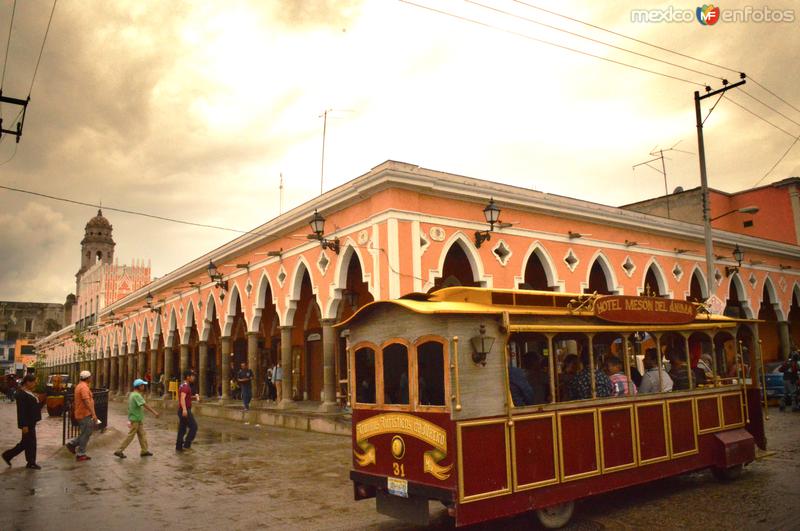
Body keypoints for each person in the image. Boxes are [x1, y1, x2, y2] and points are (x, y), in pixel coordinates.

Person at [2, 375, 42, 470]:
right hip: (27, 423)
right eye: (33, 382)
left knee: (26, 443)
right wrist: (23, 425)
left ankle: (9, 456)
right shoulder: (22, 394)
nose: (34, 384)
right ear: (28, 382)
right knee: (30, 442)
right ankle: (30, 462)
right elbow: (22, 411)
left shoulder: (29, 392)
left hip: (31, 421)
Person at [114, 379, 160, 458]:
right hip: (135, 419)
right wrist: (154, 412)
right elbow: (145, 405)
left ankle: (144, 451)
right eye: (142, 385)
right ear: (139, 386)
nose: (144, 387)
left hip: (137, 419)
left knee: (142, 435)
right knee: (130, 436)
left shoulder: (132, 394)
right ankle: (119, 450)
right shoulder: (136, 395)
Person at [66, 370, 97, 462]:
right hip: (84, 413)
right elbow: (86, 401)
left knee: (86, 432)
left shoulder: (81, 386)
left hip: (82, 413)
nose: (91, 378)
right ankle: (80, 453)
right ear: (88, 378)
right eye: (90, 377)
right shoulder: (83, 387)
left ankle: (73, 444)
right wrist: (93, 414)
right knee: (86, 433)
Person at [176, 370, 199, 452]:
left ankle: (179, 447)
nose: (194, 378)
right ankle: (187, 444)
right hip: (184, 410)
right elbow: (182, 398)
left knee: (182, 429)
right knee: (194, 427)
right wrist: (185, 410)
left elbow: (185, 398)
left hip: (182, 409)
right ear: (188, 377)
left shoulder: (183, 385)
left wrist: (194, 397)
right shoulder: (185, 387)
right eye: (192, 376)